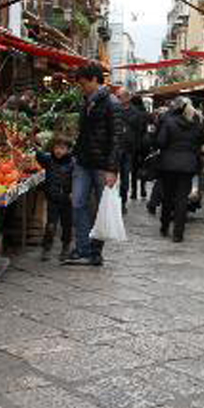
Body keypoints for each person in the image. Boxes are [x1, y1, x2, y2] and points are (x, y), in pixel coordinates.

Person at [64, 64, 122, 267]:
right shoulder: (86, 101)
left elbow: (116, 138)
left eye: (84, 83)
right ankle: (82, 249)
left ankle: (95, 252)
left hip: (101, 165)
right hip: (82, 162)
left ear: (95, 80)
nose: (82, 87)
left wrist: (112, 169)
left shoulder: (112, 103)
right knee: (78, 203)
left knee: (100, 209)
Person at [157, 97, 204, 242]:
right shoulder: (196, 125)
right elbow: (203, 141)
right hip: (188, 165)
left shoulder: (169, 122)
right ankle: (178, 233)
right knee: (182, 199)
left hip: (169, 165)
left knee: (167, 197)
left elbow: (160, 142)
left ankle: (165, 226)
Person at [35, 135, 74, 262]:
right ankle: (46, 247)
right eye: (56, 147)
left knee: (66, 224)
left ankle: (66, 246)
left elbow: (77, 179)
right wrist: (35, 143)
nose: (58, 151)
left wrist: (73, 192)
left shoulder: (73, 163)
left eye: (62, 148)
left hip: (67, 199)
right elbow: (38, 154)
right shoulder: (49, 160)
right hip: (52, 198)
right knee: (50, 224)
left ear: (68, 150)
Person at [117, 89, 145, 213]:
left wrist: (136, 148)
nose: (117, 99)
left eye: (119, 96)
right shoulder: (114, 110)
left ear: (127, 98)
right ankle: (112, 202)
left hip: (128, 150)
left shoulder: (136, 113)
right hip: (115, 148)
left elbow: (140, 132)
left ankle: (122, 202)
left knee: (125, 178)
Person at [130, 95, 150, 200]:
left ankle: (134, 191)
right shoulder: (146, 113)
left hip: (134, 143)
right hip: (145, 143)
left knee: (134, 168)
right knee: (144, 166)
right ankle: (143, 189)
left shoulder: (132, 113)